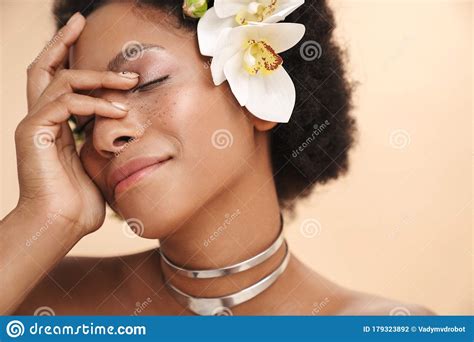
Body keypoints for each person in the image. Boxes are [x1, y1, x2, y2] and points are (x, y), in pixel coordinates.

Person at [0, 0, 434, 315]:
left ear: (259, 87)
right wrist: (44, 218)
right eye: (84, 121)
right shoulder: (33, 299)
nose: (106, 135)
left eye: (148, 82)